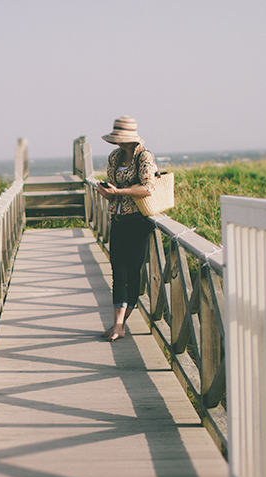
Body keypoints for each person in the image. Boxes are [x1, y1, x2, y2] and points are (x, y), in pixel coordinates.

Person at [96, 116, 158, 341]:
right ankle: (118, 325)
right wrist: (106, 192)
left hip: (137, 220)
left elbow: (148, 188)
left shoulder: (144, 156)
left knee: (132, 272)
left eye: (122, 138)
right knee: (118, 272)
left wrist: (119, 192)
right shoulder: (114, 156)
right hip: (118, 219)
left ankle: (120, 324)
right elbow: (112, 189)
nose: (119, 142)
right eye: (117, 138)